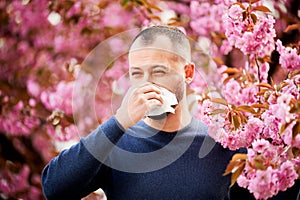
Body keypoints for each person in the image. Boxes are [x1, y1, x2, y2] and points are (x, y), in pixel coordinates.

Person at [41, 26, 300, 200]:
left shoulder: (223, 144)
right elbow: (54, 188)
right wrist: (118, 122)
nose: (147, 84)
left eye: (159, 72)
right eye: (137, 74)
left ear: (187, 73)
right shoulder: (115, 145)